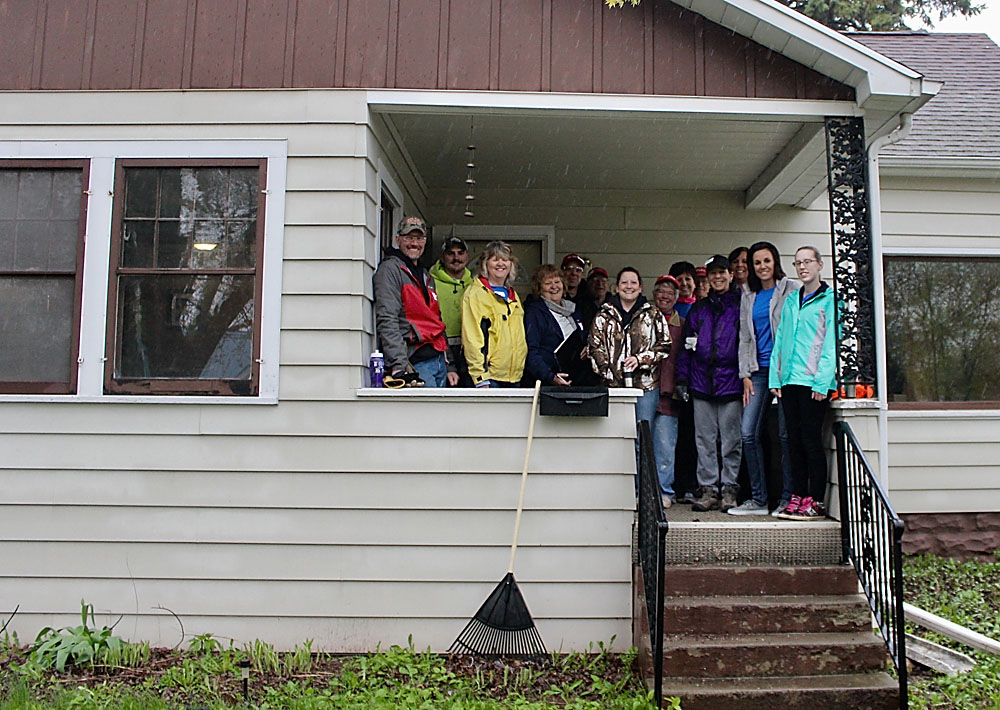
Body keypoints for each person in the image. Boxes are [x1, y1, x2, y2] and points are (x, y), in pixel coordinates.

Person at [728, 241, 799, 516]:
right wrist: (745, 374)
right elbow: (745, 338)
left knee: (784, 435)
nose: (762, 267)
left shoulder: (790, 290)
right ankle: (758, 499)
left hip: (785, 373)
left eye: (766, 261)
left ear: (775, 261)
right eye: (757, 263)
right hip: (758, 372)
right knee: (748, 433)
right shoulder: (749, 295)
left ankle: (787, 498)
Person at [770, 246, 837, 521]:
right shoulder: (791, 301)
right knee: (793, 441)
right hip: (790, 382)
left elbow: (831, 343)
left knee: (811, 440)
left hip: (813, 382)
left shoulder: (830, 300)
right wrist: (776, 377)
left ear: (820, 265)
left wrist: (823, 383)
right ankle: (797, 496)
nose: (802, 267)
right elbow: (781, 341)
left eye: (807, 261)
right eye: (798, 263)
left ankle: (815, 499)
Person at [590, 267, 671, 481]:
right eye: (624, 283)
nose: (629, 286)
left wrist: (641, 359)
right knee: (615, 438)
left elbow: (664, 346)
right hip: (613, 388)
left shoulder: (652, 314)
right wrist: (611, 374)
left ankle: (641, 490)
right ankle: (618, 490)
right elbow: (595, 348)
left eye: (633, 282)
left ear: (640, 287)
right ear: (616, 288)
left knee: (642, 439)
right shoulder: (604, 314)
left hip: (645, 387)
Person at [675, 255, 742, 512]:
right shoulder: (699, 309)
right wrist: (683, 378)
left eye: (722, 272)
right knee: (704, 439)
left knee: (730, 440)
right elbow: (686, 348)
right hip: (701, 382)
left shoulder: (739, 306)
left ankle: (729, 489)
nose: (718, 277)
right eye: (713, 273)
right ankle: (708, 489)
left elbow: (747, 343)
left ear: (730, 274)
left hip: (731, 382)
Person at [373, 216, 457, 387]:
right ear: (398, 239)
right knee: (426, 414)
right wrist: (399, 365)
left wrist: (450, 365)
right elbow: (387, 319)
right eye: (409, 238)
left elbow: (437, 322)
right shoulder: (390, 270)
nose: (414, 243)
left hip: (438, 360)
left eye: (419, 238)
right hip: (416, 363)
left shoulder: (426, 276)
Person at [462, 240, 527, 388]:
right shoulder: (475, 294)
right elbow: (472, 338)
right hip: (489, 378)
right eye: (495, 259)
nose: (500, 264)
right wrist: (480, 376)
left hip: (513, 377)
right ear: (485, 264)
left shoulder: (513, 295)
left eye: (505, 259)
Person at [523, 265, 588, 386]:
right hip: (547, 382)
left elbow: (583, 336)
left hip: (575, 378)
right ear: (539, 288)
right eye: (548, 283)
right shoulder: (534, 312)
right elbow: (531, 352)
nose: (554, 287)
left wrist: (586, 347)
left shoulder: (573, 309)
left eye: (557, 282)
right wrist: (550, 377)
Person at [652, 275, 685, 508]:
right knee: (640, 443)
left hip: (670, 393)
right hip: (645, 389)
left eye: (670, 293)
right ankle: (640, 490)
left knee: (665, 446)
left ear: (676, 298)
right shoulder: (643, 320)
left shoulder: (682, 325)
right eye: (661, 291)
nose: (665, 296)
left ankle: (665, 491)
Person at [430, 236, 474, 386]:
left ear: (467, 256)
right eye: (451, 253)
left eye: (460, 253)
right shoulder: (430, 282)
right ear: (442, 257)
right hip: (439, 347)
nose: (456, 258)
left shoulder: (475, 285)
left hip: (468, 348)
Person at [562, 253, 599, 332]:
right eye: (569, 269)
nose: (574, 273)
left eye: (578, 270)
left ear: (582, 274)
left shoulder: (589, 302)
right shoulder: (554, 299)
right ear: (562, 272)